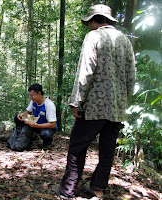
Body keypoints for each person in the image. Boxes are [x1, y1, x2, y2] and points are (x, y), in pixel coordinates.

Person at [57, 4, 136, 199]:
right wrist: (123, 102)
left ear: (95, 20)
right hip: (116, 109)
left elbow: (86, 70)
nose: (88, 27)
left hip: (94, 107)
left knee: (77, 146)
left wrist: (77, 101)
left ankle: (67, 190)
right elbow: (131, 76)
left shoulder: (93, 36)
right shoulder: (124, 40)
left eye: (89, 23)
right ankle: (98, 188)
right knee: (107, 150)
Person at [14, 83, 57, 150]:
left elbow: (53, 124)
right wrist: (22, 115)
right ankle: (21, 137)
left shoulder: (49, 105)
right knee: (17, 119)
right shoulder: (34, 101)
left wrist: (37, 126)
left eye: (32, 95)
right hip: (35, 125)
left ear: (39, 93)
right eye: (30, 95)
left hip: (46, 127)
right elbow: (28, 112)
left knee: (45, 134)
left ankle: (47, 144)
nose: (30, 97)